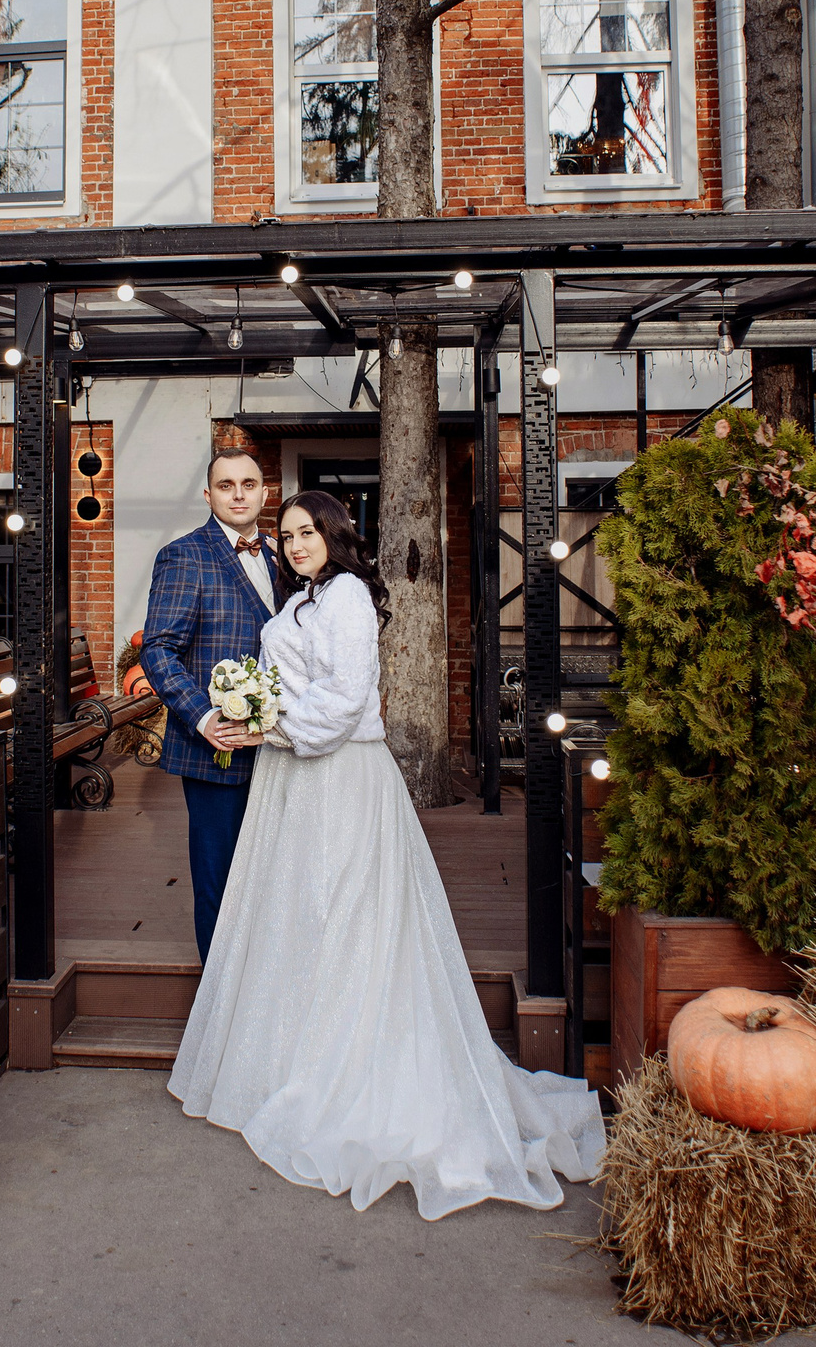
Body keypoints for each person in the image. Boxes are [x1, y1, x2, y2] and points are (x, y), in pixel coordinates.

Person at [167, 489, 606, 1219]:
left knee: (346, 914)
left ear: (336, 536)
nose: (296, 543)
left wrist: (267, 725)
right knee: (303, 916)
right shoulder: (305, 599)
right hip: (293, 784)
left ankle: (349, 1067)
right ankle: (296, 1057)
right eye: (288, 534)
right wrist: (255, 716)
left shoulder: (345, 598)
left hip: (338, 779)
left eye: (309, 531)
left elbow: (343, 704)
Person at [136, 447, 278, 962]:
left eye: (248, 483)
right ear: (208, 494)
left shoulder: (281, 558)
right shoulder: (184, 555)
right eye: (226, 485)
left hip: (276, 750)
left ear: (265, 492)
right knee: (219, 878)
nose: (238, 494)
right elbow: (158, 649)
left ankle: (260, 979)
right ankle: (219, 995)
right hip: (215, 750)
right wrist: (204, 715)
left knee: (267, 873)